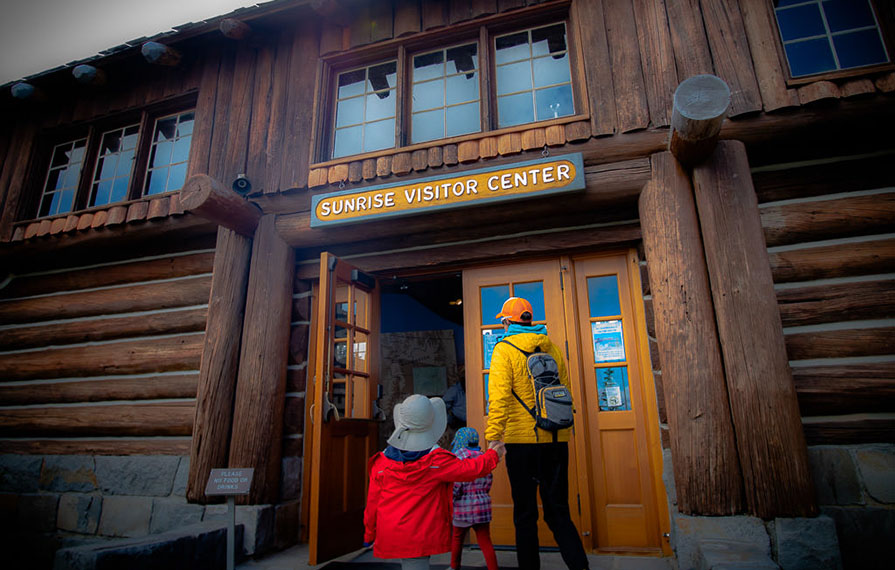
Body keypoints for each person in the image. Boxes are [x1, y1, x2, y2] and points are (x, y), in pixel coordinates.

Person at [486, 297, 589, 570]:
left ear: (508, 321)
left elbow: (499, 397)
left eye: (504, 320)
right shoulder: (551, 346)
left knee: (525, 515)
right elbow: (565, 389)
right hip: (556, 439)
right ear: (530, 320)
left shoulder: (503, 349)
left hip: (522, 443)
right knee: (559, 513)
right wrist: (567, 429)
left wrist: (494, 437)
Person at [364, 394, 506, 570]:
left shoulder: (382, 463)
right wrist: (493, 455)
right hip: (420, 534)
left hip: (391, 531)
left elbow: (373, 502)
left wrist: (369, 533)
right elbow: (469, 469)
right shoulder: (435, 462)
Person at [449, 427, 498, 570]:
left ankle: (454, 566)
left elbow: (456, 485)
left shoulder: (458, 459)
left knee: (457, 538)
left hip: (462, 509)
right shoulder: (483, 457)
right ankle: (493, 568)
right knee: (485, 541)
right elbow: (489, 480)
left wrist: (452, 499)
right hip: (482, 506)